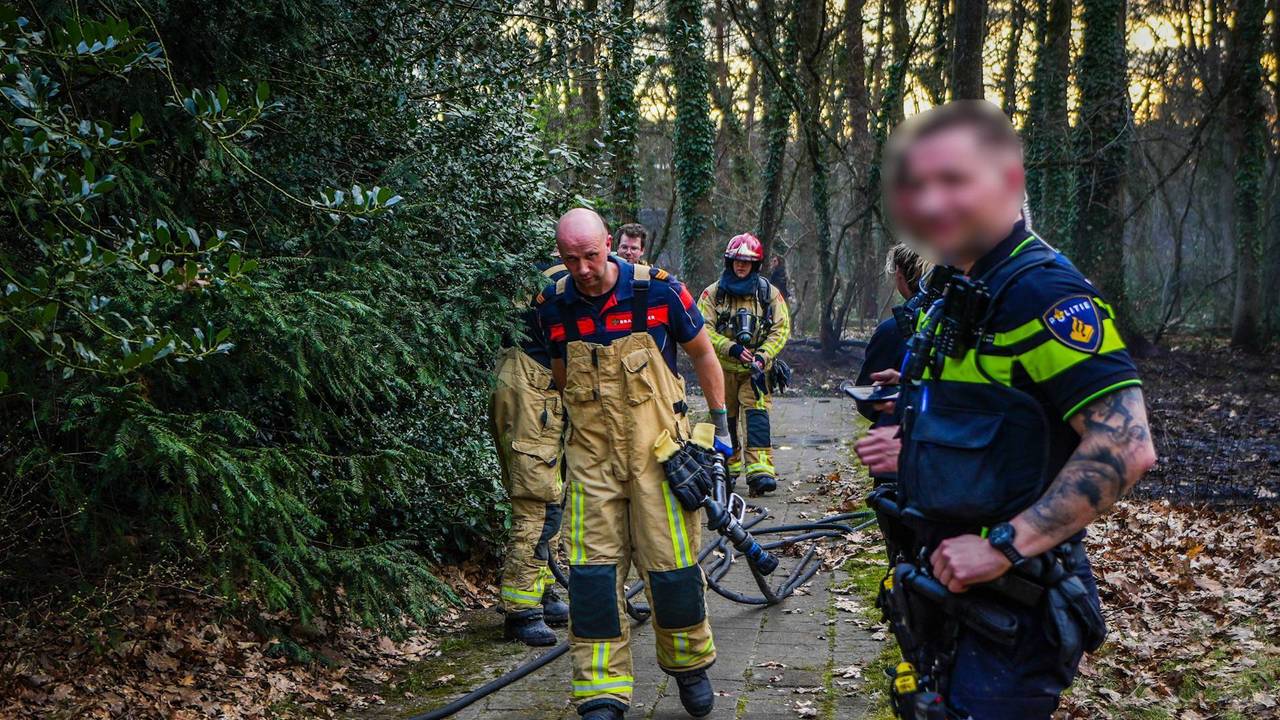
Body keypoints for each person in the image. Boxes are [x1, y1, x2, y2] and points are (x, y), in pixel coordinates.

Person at [854, 100, 1157, 719]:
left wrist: (1005, 546)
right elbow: (1003, 425)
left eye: (956, 182)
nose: (932, 204)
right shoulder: (958, 289)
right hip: (944, 596)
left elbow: (1125, 446)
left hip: (1013, 606)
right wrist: (911, 447)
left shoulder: (1042, 293)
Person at [534, 208, 731, 720]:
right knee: (594, 579)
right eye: (570, 258)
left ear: (609, 244)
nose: (581, 268)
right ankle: (601, 690)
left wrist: (719, 430)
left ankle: (688, 665)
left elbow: (705, 357)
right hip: (592, 464)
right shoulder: (553, 307)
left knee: (672, 570)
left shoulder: (660, 293)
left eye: (591, 255)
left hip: (658, 458)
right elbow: (559, 379)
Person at [490, 259, 572, 646]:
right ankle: (521, 612)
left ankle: (542, 593)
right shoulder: (570, 289)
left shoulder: (553, 277)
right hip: (531, 394)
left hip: (532, 390)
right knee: (537, 504)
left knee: (550, 497)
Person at [697, 233, 791, 497]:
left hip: (756, 372)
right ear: (729, 261)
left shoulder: (768, 294)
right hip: (722, 370)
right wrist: (731, 348)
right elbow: (701, 327)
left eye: (746, 262)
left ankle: (760, 472)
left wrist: (762, 355)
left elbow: (781, 329)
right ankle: (726, 470)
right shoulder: (712, 294)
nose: (741, 266)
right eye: (737, 260)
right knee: (724, 420)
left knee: (757, 418)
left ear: (755, 265)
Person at [853, 243, 931, 425]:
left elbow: (867, 401)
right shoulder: (952, 320)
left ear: (899, 274)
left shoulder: (892, 329)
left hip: (901, 434)